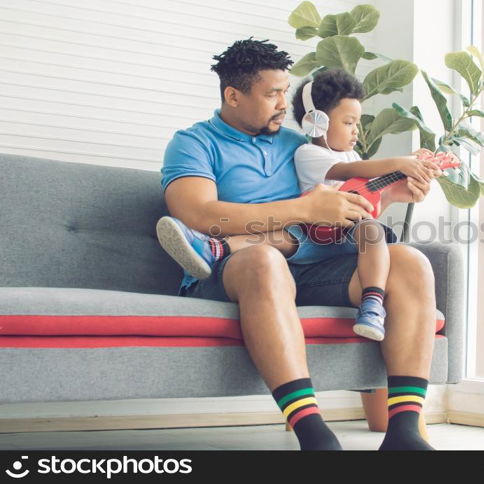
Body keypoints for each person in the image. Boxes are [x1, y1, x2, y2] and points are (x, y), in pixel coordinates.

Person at [159, 38, 442, 450]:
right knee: (264, 261)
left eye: (283, 92)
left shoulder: (299, 145)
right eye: (270, 93)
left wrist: (398, 192)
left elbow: (348, 197)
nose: (281, 104)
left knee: (411, 261)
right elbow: (198, 215)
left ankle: (403, 434)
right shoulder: (193, 143)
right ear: (233, 95)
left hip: (315, 265)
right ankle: (314, 434)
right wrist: (304, 209)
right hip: (236, 265)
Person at [158, 68, 439, 343]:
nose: (356, 131)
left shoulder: (312, 147)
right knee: (286, 237)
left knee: (375, 234)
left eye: (284, 93)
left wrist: (392, 194)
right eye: (349, 122)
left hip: (335, 240)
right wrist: (400, 162)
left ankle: (372, 303)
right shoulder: (308, 152)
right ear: (317, 122)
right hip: (312, 229)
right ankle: (217, 248)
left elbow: (362, 202)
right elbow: (350, 170)